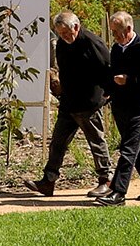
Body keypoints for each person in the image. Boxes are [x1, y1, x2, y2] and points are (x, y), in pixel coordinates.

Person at [32, 10, 113, 197]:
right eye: (61, 33)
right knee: (58, 143)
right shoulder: (61, 44)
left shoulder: (93, 43)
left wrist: (107, 94)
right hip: (69, 102)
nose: (64, 37)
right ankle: (48, 181)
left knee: (96, 142)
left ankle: (105, 180)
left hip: (89, 103)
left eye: (67, 33)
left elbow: (107, 69)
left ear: (76, 27)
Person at [92, 10, 140, 205]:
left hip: (139, 105)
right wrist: (108, 91)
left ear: (129, 28)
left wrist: (129, 80)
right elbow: (113, 75)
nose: (114, 36)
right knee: (135, 146)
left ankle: (118, 192)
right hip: (120, 105)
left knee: (128, 149)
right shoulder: (116, 49)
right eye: (113, 32)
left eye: (117, 32)